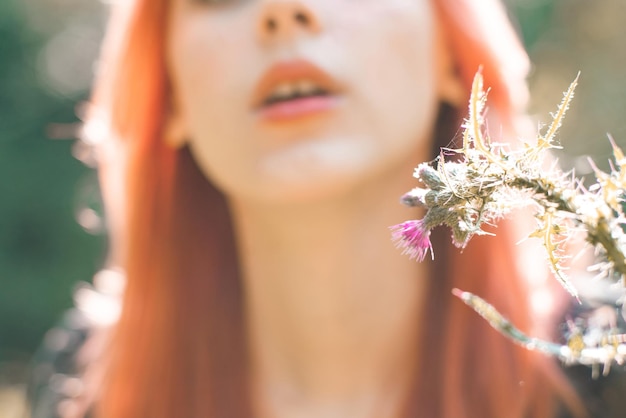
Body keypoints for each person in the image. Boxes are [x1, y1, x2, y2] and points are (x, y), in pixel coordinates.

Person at [27, 0, 591, 417]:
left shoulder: (604, 369)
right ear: (168, 93)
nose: (283, 12)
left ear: (450, 47)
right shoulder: (82, 391)